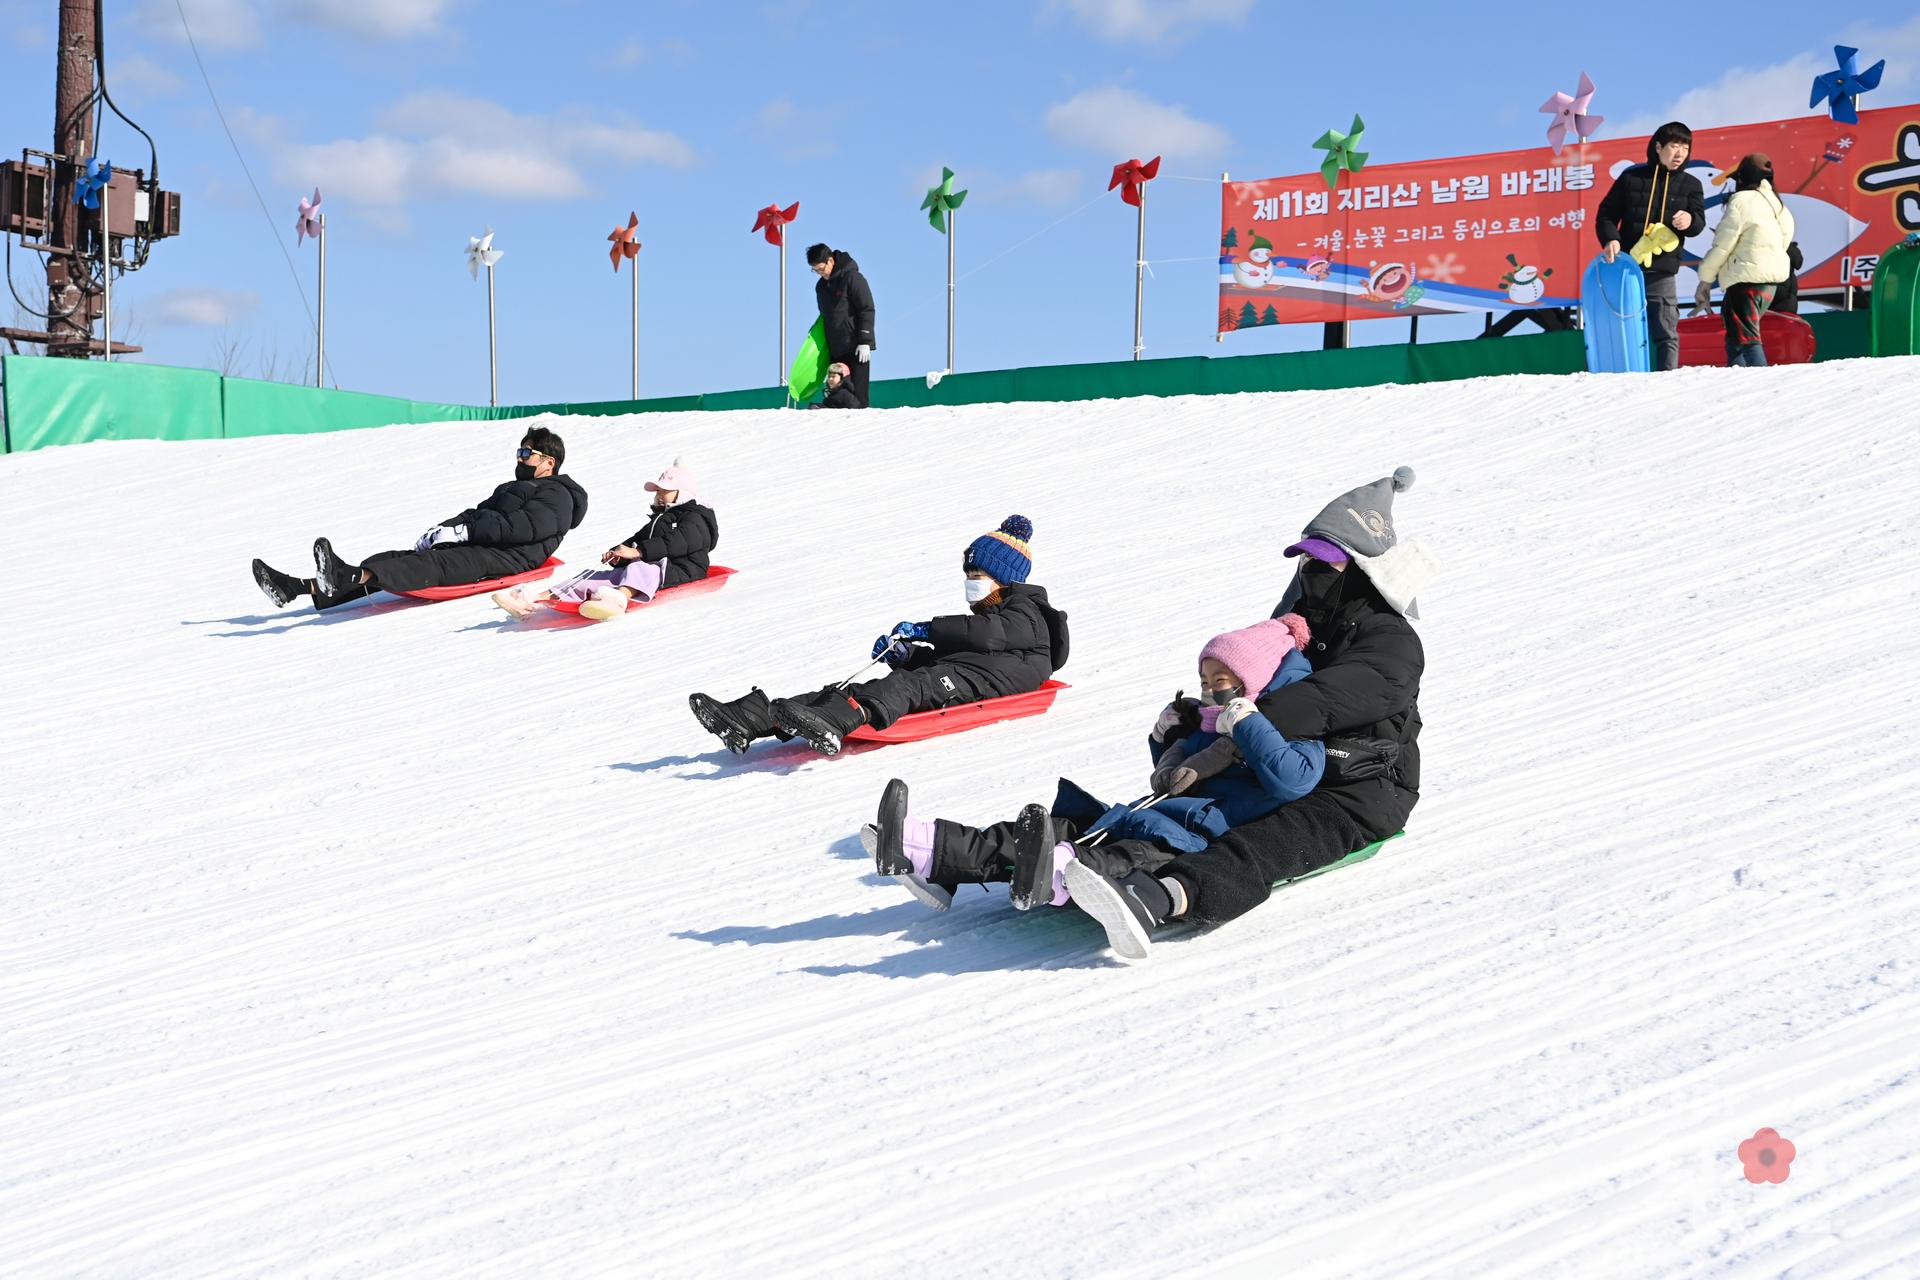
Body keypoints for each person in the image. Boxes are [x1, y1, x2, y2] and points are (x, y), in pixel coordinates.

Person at [1065, 468, 1434, 961]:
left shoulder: (1391, 643)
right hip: (1283, 761)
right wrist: (1198, 717)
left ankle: (1158, 898)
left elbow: (1319, 701)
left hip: (1359, 789)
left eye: (1327, 565)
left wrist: (1235, 725)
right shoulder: (1299, 621)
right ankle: (1071, 854)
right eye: (1306, 562)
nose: (1311, 574)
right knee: (1196, 808)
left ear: (1363, 573)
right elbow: (1252, 677)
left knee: (1268, 841)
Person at [864, 614, 1325, 915]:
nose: (1210, 690)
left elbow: (1293, 780)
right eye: (1205, 680)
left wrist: (1249, 723)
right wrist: (1167, 740)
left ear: (1256, 679)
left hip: (1194, 837)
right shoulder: (1218, 718)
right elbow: (1176, 777)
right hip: (1148, 813)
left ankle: (1057, 876)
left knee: (1114, 856)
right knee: (1055, 829)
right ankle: (926, 849)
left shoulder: (1293, 723)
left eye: (1221, 681)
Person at [688, 516, 1067, 758]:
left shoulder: (1026, 614)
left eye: (978, 576)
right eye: (969, 575)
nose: (971, 583)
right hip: (967, 679)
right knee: (868, 684)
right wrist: (906, 654)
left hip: (991, 688)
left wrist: (928, 629)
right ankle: (756, 718)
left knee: (910, 685)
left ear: (1006, 579)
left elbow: (986, 638)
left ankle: (834, 723)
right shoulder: (992, 618)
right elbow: (955, 660)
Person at [251, 425, 588, 611]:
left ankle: (342, 574)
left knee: (432, 568)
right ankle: (295, 588)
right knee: (401, 558)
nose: (521, 457)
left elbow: (522, 529)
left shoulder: (557, 494)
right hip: (487, 547)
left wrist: (465, 532)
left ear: (549, 462)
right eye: (520, 451)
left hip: (511, 558)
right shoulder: (512, 487)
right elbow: (477, 513)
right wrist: (444, 529)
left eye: (528, 453)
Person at [494, 457, 716, 621]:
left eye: (665, 490)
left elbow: (680, 541)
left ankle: (616, 600)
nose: (658, 494)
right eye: (658, 489)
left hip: (684, 569)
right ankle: (533, 600)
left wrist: (638, 553)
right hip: (654, 568)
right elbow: (640, 538)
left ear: (682, 491)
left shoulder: (696, 516)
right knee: (594, 577)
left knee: (641, 567)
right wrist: (620, 551)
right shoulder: (663, 517)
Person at [1595, 122, 1707, 372]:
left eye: (1685, 147)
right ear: (1658, 147)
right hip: (1626, 268)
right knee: (1623, 326)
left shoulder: (1691, 184)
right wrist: (1610, 238)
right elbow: (1606, 214)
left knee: (1666, 330)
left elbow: (1699, 223)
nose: (1680, 153)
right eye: (1674, 146)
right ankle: (1621, 379)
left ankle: (1666, 381)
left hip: (1662, 270)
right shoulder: (1632, 177)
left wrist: (1690, 221)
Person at [1695, 153, 1796, 368]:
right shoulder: (1779, 205)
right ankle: (1738, 383)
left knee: (1749, 339)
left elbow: (1724, 244)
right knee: (1736, 338)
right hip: (1770, 283)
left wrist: (1705, 279)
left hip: (1745, 281)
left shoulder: (1742, 200)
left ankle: (1762, 386)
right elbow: (1784, 241)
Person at [807, 243, 875, 409]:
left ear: (830, 261)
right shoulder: (821, 287)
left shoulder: (853, 278)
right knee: (836, 389)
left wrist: (865, 340)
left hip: (856, 347)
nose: (819, 274)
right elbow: (826, 317)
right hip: (835, 348)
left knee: (857, 396)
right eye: (815, 271)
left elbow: (866, 308)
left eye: (821, 269)